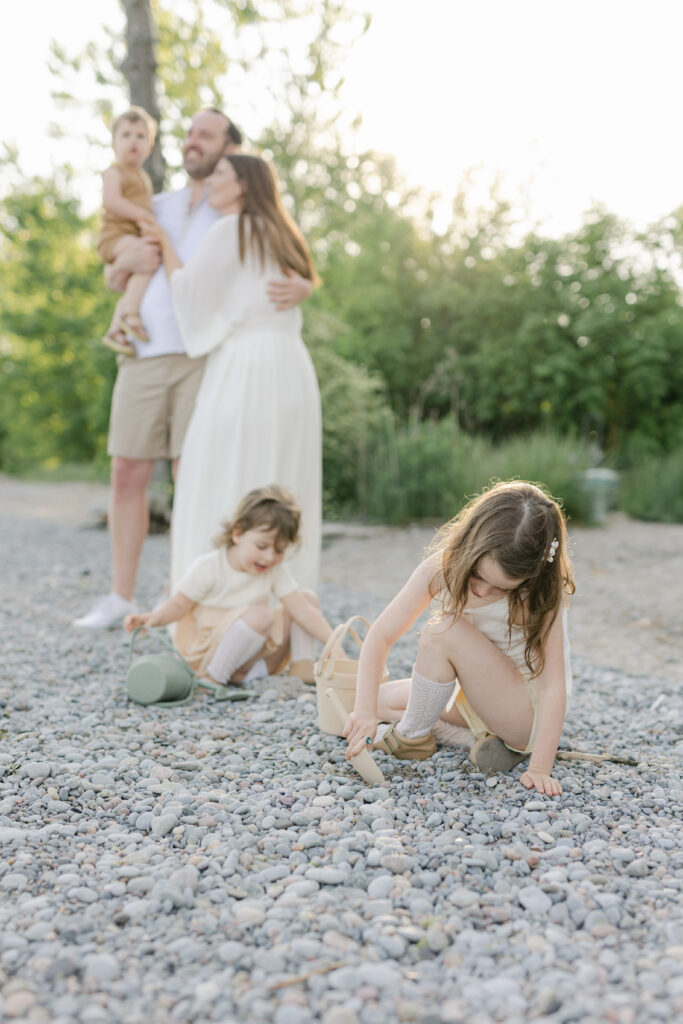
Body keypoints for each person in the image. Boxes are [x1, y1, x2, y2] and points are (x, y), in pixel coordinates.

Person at [74, 110, 312, 630]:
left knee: (196, 472)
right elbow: (117, 269)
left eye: (204, 135)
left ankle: (181, 591)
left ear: (230, 149)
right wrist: (121, 263)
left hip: (208, 356)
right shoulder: (155, 204)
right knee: (126, 470)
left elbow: (285, 255)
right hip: (146, 347)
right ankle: (119, 595)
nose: (190, 143)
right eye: (188, 135)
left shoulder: (237, 206)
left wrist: (306, 286)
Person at [146, 152, 322, 594]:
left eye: (220, 174)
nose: (211, 180)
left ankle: (218, 600)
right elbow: (302, 281)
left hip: (248, 364)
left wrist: (165, 244)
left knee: (226, 469)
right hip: (291, 363)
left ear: (243, 184)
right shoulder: (283, 231)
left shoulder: (231, 229)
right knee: (282, 472)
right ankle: (281, 604)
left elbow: (188, 290)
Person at [343, 481, 575, 797]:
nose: (481, 591)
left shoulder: (541, 596)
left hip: (523, 714)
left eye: (502, 589)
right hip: (475, 701)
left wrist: (540, 766)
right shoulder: (442, 566)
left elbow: (552, 685)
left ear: (531, 576)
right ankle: (475, 740)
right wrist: (365, 713)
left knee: (443, 631)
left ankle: (412, 737)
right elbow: (381, 636)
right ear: (468, 544)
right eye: (476, 576)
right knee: (376, 699)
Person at [123, 485, 332, 685]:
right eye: (262, 546)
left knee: (307, 599)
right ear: (238, 533)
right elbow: (178, 605)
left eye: (279, 550)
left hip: (252, 659)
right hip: (210, 656)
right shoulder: (210, 567)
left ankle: (302, 667)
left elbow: (303, 611)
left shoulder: (274, 569)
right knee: (260, 615)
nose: (269, 557)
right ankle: (214, 679)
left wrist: (334, 644)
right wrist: (151, 618)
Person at [96, 106, 158, 356]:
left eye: (141, 136)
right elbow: (112, 201)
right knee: (146, 257)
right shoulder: (115, 172)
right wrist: (143, 216)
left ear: (150, 146)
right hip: (115, 238)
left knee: (144, 269)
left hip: (131, 239)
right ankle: (131, 315)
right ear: (114, 143)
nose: (134, 140)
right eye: (126, 135)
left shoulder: (143, 177)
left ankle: (116, 330)